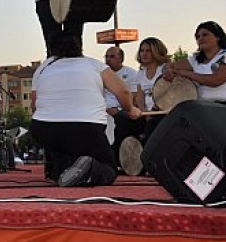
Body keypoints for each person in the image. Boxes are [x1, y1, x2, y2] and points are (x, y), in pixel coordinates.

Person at [30, 33, 142, 187]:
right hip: (85, 126)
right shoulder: (94, 65)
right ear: (79, 48)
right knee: (108, 168)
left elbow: (34, 104)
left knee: (61, 161)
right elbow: (123, 91)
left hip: (43, 127)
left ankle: (62, 171)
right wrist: (130, 109)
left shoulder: (44, 69)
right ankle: (90, 168)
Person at [164, 21, 226, 102]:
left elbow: (216, 80)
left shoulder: (224, 55)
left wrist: (187, 73)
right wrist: (168, 71)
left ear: (217, 37)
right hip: (200, 106)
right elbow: (170, 66)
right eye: (198, 37)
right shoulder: (195, 59)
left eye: (205, 35)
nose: (200, 38)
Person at [103, 47, 138, 161]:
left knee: (123, 120)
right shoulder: (100, 75)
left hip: (124, 109)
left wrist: (123, 109)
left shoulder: (131, 73)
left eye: (112, 57)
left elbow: (133, 95)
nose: (108, 60)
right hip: (104, 109)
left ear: (121, 58)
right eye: (106, 57)